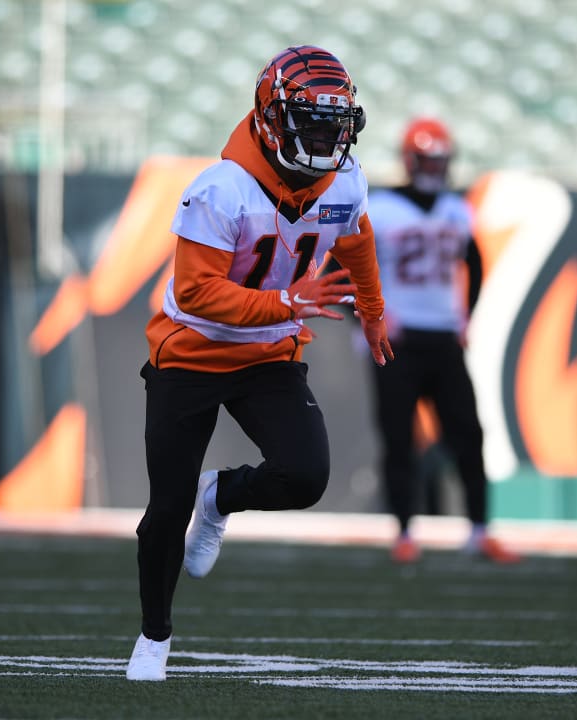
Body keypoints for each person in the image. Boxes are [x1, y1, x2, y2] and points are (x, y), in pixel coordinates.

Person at [126, 45, 393, 682]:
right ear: (272, 118)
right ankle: (154, 637)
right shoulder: (222, 187)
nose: (328, 135)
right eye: (312, 119)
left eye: (336, 121)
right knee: (165, 510)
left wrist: (374, 310)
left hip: (268, 352)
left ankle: (219, 495)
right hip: (189, 352)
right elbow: (194, 293)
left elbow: (356, 236)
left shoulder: (344, 180)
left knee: (305, 476)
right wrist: (287, 300)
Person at [368, 117, 519, 565]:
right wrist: (372, 316)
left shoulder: (457, 210)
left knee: (469, 435)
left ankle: (478, 530)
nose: (434, 167)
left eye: (440, 159)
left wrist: (466, 316)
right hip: (397, 341)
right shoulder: (380, 208)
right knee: (397, 437)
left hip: (444, 338)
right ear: (410, 160)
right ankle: (404, 533)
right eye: (427, 158)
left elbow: (475, 261)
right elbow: (344, 269)